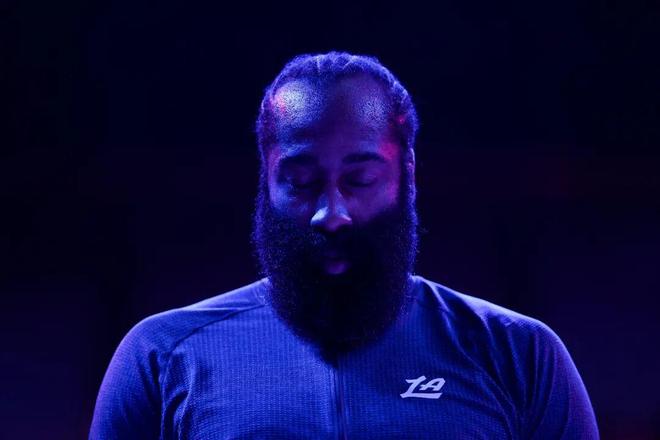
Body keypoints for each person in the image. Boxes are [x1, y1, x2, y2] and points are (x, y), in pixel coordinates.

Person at [90, 52, 599, 439]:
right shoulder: (161, 357)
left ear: (406, 175)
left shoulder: (518, 354)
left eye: (359, 180)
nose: (331, 213)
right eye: (302, 180)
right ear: (267, 178)